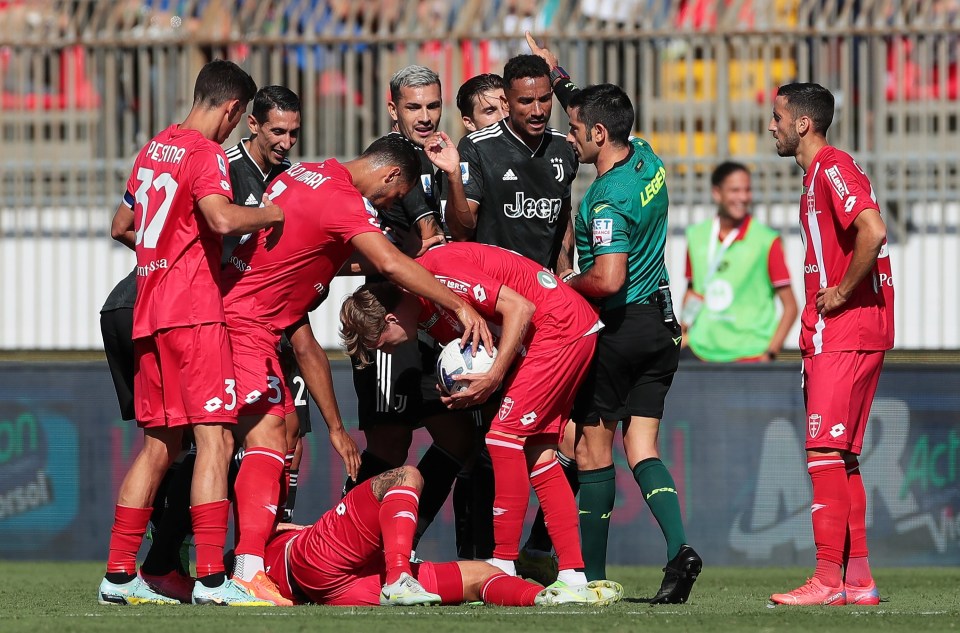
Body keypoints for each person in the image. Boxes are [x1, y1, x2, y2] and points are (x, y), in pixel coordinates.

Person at [218, 134, 494, 603]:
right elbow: (387, 261)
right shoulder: (346, 200)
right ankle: (241, 570)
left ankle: (230, 565)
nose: (388, 204)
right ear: (390, 175)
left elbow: (304, 254)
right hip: (245, 323)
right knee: (256, 441)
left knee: (273, 434)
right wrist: (459, 306)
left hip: (246, 319)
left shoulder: (305, 172)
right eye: (394, 194)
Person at [99, 59, 285, 607]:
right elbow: (223, 220)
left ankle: (116, 575)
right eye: (239, 118)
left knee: (158, 444)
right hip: (195, 316)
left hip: (149, 314)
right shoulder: (206, 154)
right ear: (232, 109)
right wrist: (271, 214)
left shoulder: (154, 147)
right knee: (216, 439)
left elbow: (121, 226)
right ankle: (210, 579)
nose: (233, 128)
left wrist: (162, 259)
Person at [525, 34, 701, 603]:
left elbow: (608, 278)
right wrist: (560, 78)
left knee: (591, 453)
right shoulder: (647, 155)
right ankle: (680, 550)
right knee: (642, 448)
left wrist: (558, 285)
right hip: (663, 330)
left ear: (599, 136)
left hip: (620, 331)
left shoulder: (605, 198)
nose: (569, 137)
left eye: (576, 132)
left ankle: (590, 578)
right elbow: (594, 111)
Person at [340, 240, 617, 599]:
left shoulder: (440, 275)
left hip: (558, 327)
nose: (387, 350)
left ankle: (501, 566)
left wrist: (494, 377)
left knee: (502, 439)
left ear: (391, 318)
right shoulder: (425, 309)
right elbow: (483, 348)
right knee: (541, 455)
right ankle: (572, 573)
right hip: (560, 330)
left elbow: (521, 307)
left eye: (382, 342)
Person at [767, 83, 893, 606]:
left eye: (777, 117)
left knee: (823, 451)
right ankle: (858, 579)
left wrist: (840, 292)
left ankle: (826, 578)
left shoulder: (832, 166)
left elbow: (873, 230)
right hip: (855, 330)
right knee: (842, 456)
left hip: (844, 330)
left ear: (803, 124)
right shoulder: (818, 175)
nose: (770, 126)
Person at [344, 66, 475, 556]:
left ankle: (404, 539)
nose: (424, 117)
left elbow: (457, 235)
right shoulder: (387, 164)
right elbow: (394, 249)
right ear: (392, 107)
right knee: (389, 448)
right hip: (392, 325)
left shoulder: (447, 158)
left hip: (436, 324)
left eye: (432, 106)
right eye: (413, 107)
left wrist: (455, 177)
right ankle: (347, 543)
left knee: (458, 441)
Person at [262, 465, 622, 607]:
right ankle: (400, 577)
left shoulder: (250, 559)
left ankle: (548, 598)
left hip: (340, 586)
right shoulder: (253, 553)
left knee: (487, 575)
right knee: (408, 475)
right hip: (312, 560)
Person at [442, 54, 578, 271]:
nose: (537, 111)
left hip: (543, 286)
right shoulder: (477, 146)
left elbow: (561, 225)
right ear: (506, 102)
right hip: (497, 286)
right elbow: (462, 232)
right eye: (526, 101)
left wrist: (564, 277)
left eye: (544, 99)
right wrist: (454, 177)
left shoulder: (563, 147)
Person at [680, 161, 798, 362]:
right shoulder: (697, 236)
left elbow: (791, 307)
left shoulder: (767, 241)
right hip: (702, 352)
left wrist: (770, 353)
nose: (743, 197)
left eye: (747, 190)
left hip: (750, 356)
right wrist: (683, 331)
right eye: (735, 190)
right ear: (717, 193)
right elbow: (694, 289)